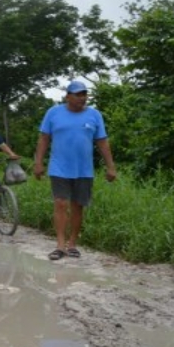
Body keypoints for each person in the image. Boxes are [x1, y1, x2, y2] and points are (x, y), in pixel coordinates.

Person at [33, 81, 117, 260]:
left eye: (84, 94)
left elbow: (102, 142)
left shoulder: (94, 115)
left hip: (84, 169)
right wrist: (38, 163)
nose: (82, 98)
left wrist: (110, 166)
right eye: (78, 94)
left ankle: (72, 244)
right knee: (61, 203)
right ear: (68, 96)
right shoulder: (53, 113)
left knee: (77, 206)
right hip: (59, 167)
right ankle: (60, 245)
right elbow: (44, 139)